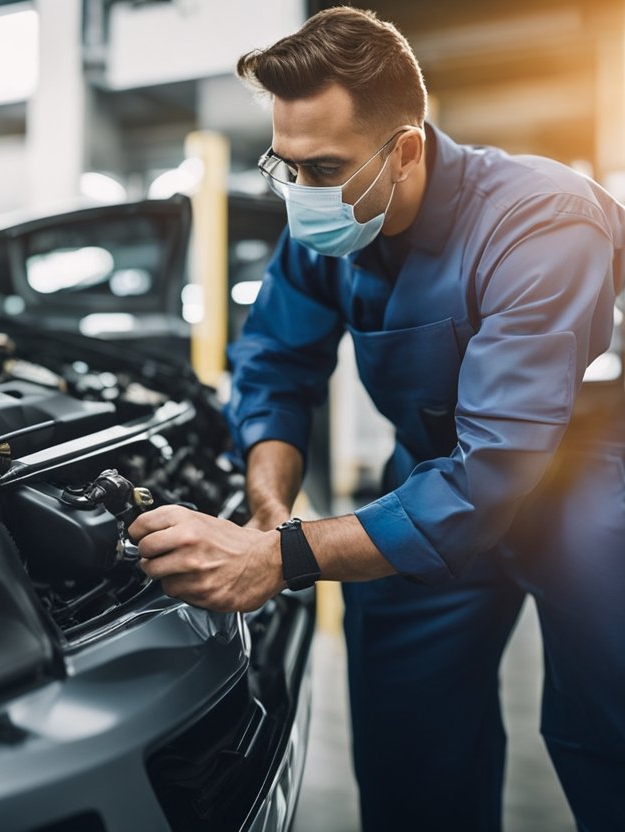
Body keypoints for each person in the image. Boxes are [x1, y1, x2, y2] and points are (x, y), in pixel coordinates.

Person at [127, 7, 625, 831]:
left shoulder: (543, 223)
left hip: (580, 482)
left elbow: (496, 468)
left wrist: (279, 561)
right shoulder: (331, 219)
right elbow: (276, 364)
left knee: (608, 724)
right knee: (407, 730)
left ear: (405, 151)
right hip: (428, 475)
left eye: (322, 168)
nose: (300, 192)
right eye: (284, 166)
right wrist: (270, 509)